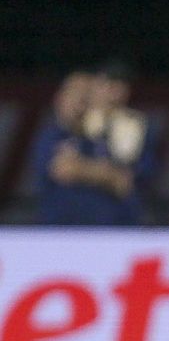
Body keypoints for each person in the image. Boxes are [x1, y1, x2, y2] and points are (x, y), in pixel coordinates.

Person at [33, 64, 156, 225]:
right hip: (60, 234)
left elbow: (125, 183)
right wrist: (106, 174)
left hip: (115, 231)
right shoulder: (54, 135)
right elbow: (63, 170)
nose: (81, 102)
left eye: (88, 95)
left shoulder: (123, 134)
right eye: (76, 94)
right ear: (60, 97)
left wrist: (81, 168)